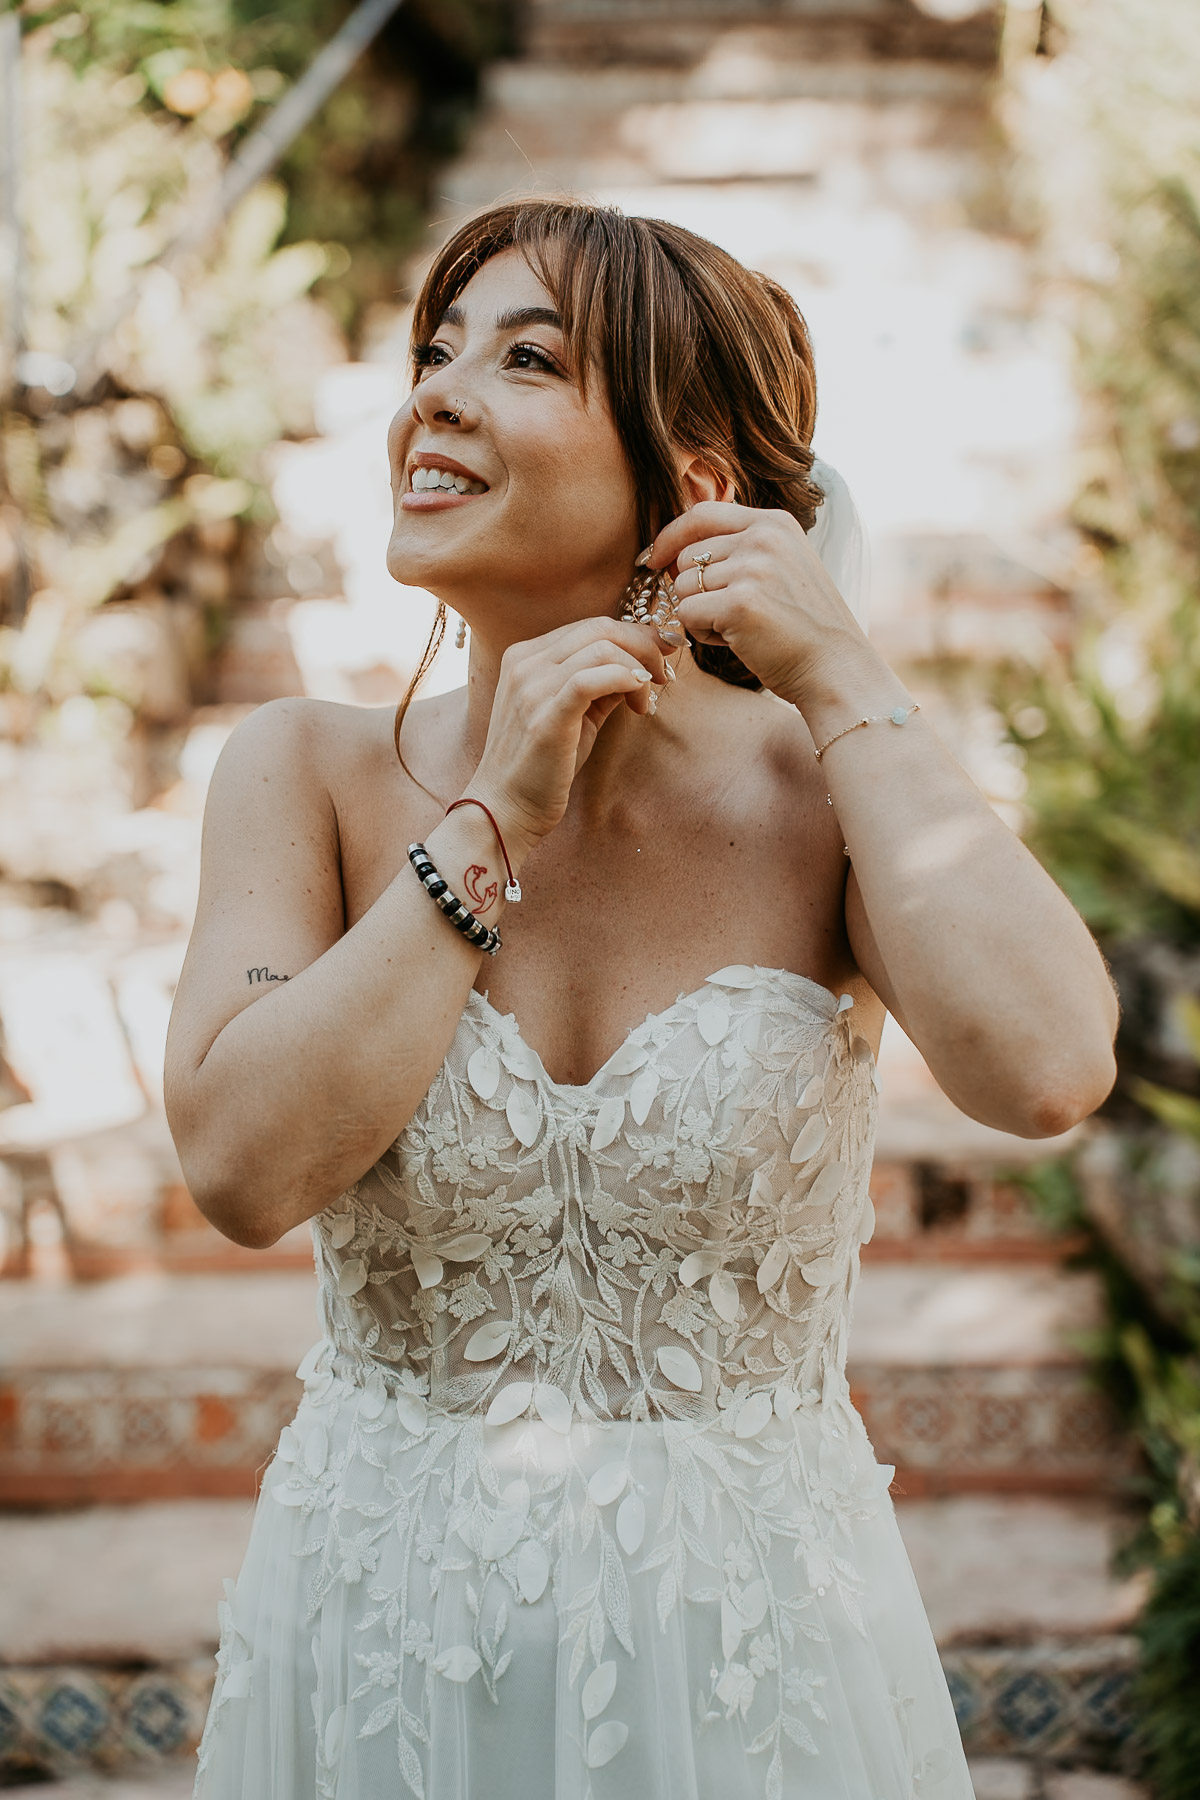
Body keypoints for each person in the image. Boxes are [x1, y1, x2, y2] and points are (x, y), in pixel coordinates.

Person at [166, 198, 1118, 1800]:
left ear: (694, 484)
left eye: (524, 357)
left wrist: (841, 678)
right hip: (379, 1640)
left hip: (752, 1661)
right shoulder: (304, 776)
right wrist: (489, 827)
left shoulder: (831, 801)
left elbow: (1046, 1069)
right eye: (433, 350)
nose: (437, 394)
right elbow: (243, 1173)